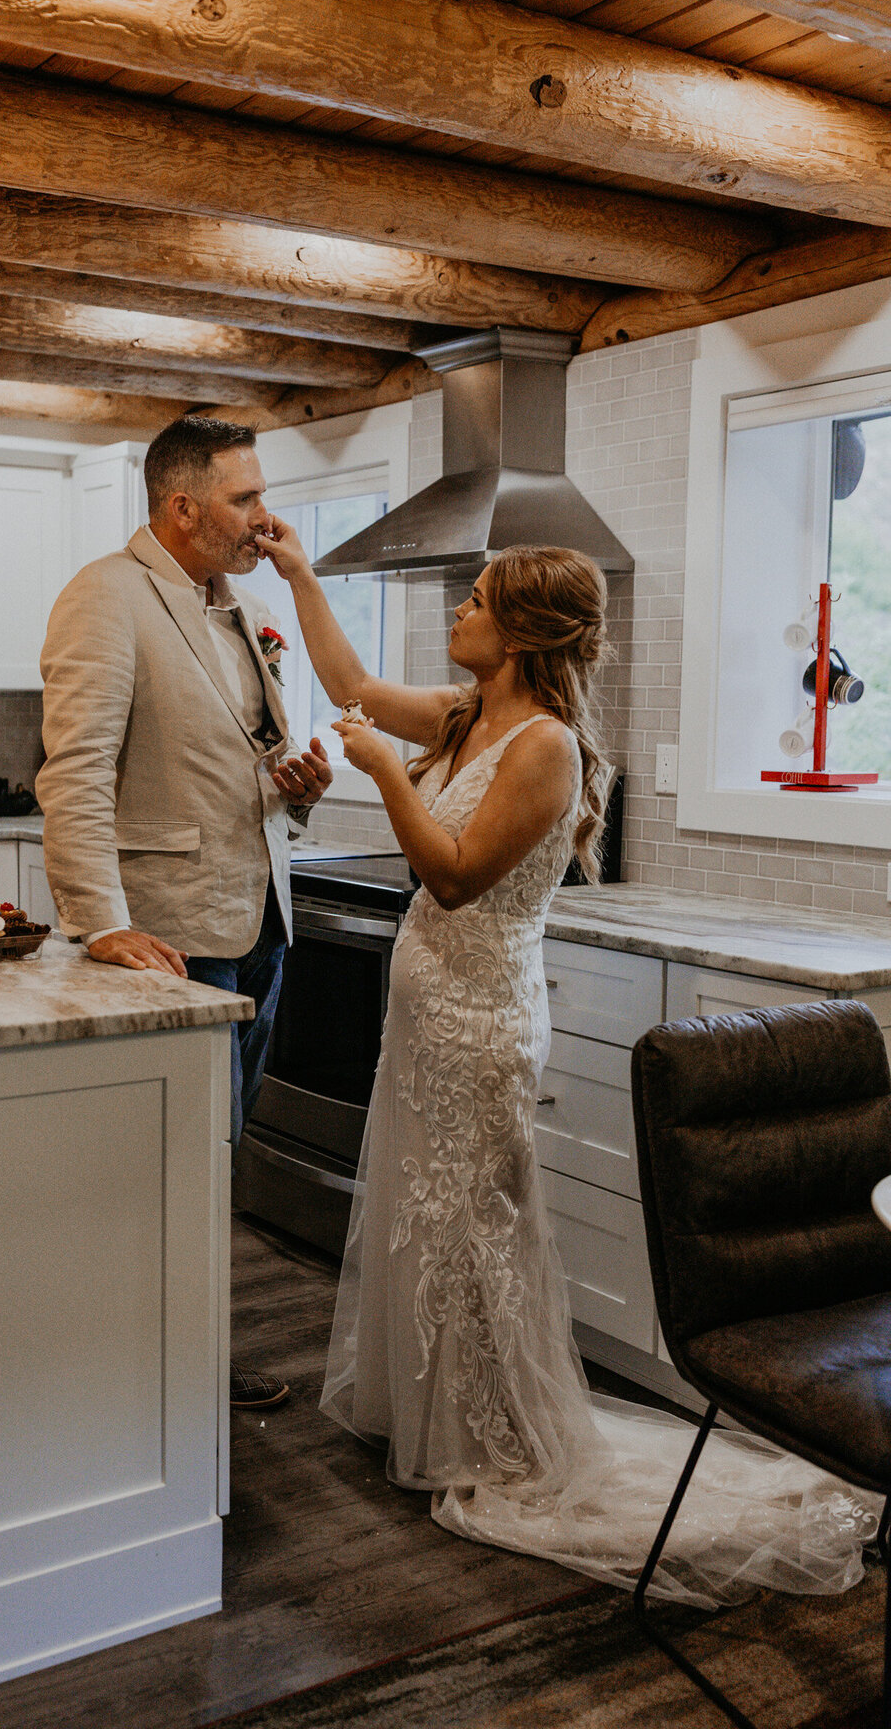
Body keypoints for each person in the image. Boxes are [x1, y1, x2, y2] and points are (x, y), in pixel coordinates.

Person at [253, 516, 877, 1605]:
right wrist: (301, 571)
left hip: (481, 1023)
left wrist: (381, 775)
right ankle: (435, 1415)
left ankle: (491, 1440)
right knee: (427, 1217)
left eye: (477, 600)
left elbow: (451, 876)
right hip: (431, 1018)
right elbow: (346, 676)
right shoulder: (465, 713)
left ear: (523, 631)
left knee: (473, 1225)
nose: (460, 610)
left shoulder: (543, 745)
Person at [38, 417, 333, 1412]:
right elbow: (75, 771)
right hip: (172, 940)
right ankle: (137, 1382)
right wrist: (98, 921)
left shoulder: (241, 610)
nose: (264, 518)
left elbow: (245, 759)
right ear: (185, 507)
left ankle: (189, 1367)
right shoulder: (105, 597)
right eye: (246, 500)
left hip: (260, 928)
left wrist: (298, 785)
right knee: (160, 1175)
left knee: (217, 1169)